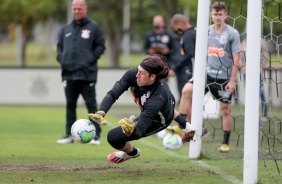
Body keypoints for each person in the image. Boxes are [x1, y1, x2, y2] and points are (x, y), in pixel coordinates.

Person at [89, 55, 195, 164]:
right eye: (138, 70)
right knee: (166, 109)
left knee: (113, 137)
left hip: (158, 121)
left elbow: (139, 131)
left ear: (152, 77)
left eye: (141, 73)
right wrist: (101, 111)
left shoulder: (158, 98)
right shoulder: (133, 74)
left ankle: (131, 153)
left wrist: (131, 130)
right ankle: (186, 126)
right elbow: (113, 93)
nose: (137, 75)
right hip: (161, 108)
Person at [178, 2, 241, 153]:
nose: (218, 17)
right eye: (215, 14)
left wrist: (232, 81)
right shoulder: (205, 31)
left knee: (225, 109)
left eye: (220, 14)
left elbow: (236, 59)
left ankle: (225, 143)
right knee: (186, 90)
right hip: (206, 75)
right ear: (211, 15)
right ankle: (182, 126)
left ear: (225, 15)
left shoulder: (232, 34)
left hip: (223, 79)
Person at [56, 0, 105, 145]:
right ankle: (68, 135)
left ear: (86, 9)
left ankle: (95, 136)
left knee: (91, 105)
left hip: (87, 74)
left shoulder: (94, 28)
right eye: (74, 9)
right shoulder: (65, 29)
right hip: (69, 74)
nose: (77, 11)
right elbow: (59, 48)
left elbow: (101, 46)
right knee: (70, 105)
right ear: (72, 10)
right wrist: (62, 59)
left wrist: (89, 59)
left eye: (79, 8)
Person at [143, 15, 182, 98]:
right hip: (152, 63)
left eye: (159, 22)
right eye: (156, 22)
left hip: (165, 62)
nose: (157, 24)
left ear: (163, 23)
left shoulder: (169, 36)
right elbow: (144, 48)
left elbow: (175, 50)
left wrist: (167, 51)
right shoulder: (149, 35)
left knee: (164, 82)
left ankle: (164, 98)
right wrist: (149, 51)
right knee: (151, 81)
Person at [170, 14, 196, 103]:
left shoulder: (188, 35)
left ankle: (186, 117)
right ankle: (187, 117)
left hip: (194, 71)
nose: (176, 31)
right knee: (188, 95)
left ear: (181, 24)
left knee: (186, 95)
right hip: (198, 70)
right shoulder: (194, 31)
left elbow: (189, 54)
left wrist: (175, 68)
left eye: (176, 28)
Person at [240, 37, 269, 117]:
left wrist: (262, 65)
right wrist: (242, 67)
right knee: (248, 92)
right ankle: (251, 113)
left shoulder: (261, 41)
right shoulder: (244, 41)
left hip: (257, 71)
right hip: (246, 71)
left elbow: (265, 54)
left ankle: (264, 113)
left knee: (260, 91)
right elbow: (241, 55)